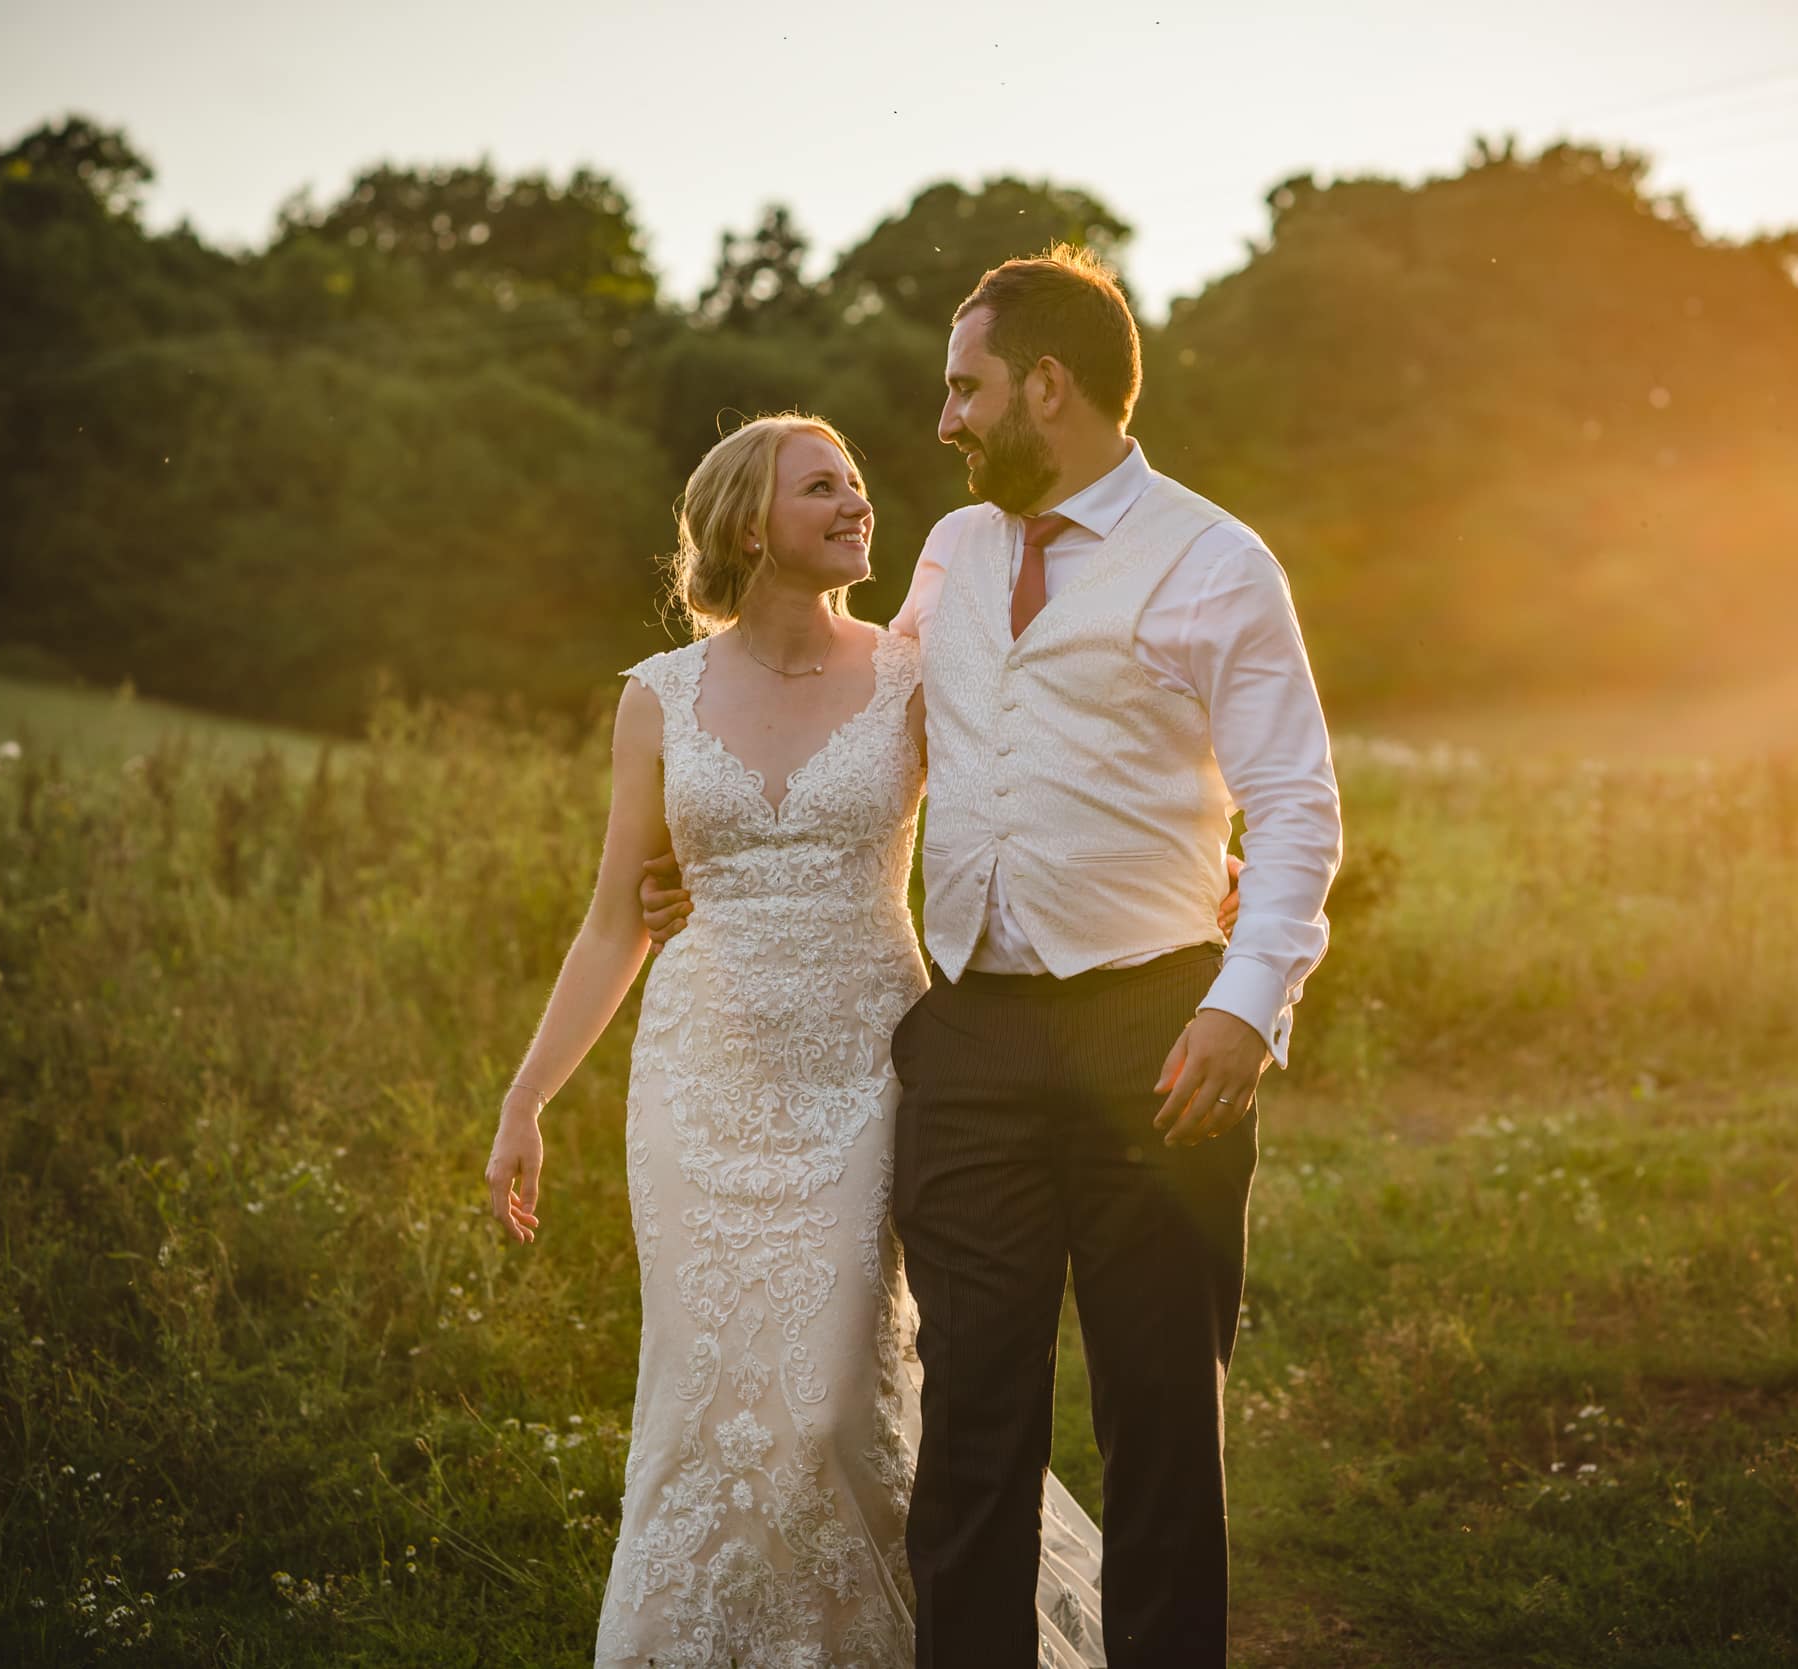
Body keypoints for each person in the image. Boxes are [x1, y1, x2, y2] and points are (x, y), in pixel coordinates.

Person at [641, 246, 1342, 1667]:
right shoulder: (955, 555)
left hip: (1160, 1025)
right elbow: (875, 716)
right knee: (968, 1425)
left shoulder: (1217, 562)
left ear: (1048, 385)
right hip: (966, 1036)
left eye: (966, 388)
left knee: (1159, 1418)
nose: (945, 420)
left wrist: (1245, 1005)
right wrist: (725, 836)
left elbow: (1297, 807)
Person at [484, 412, 1153, 1666]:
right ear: (751, 524)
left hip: (865, 1063)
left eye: (854, 483)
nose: (858, 502)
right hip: (700, 1074)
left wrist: (1181, 871)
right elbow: (612, 919)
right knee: (711, 1397)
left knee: (845, 1396)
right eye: (823, 487)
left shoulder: (909, 673)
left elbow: (1034, 792)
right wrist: (528, 1101)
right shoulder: (658, 697)